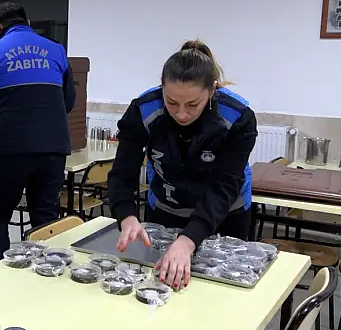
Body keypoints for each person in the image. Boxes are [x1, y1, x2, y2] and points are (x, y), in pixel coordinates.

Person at [107, 40, 258, 290]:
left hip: (224, 215)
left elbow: (223, 186)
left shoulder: (237, 117)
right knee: (160, 287)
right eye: (171, 102)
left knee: (218, 292)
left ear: (212, 90)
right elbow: (123, 172)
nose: (181, 114)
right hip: (166, 211)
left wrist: (188, 240)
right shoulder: (144, 110)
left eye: (192, 104)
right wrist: (127, 216)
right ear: (162, 89)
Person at [0, 2, 76, 266]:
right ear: (28, 23)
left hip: (10, 150)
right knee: (46, 219)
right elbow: (68, 102)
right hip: (52, 149)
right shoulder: (56, 49)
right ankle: (48, 275)